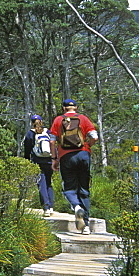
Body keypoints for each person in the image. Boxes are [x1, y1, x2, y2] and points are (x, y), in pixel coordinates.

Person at [51, 98, 99, 235]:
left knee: (69, 188)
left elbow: (52, 141)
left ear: (63, 108)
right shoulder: (83, 119)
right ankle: (86, 226)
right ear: (76, 108)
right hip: (84, 155)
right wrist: (88, 145)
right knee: (84, 189)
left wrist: (54, 159)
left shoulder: (58, 120)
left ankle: (76, 207)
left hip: (66, 157)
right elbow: (94, 136)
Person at [23, 114, 56, 216]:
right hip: (49, 161)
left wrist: (27, 161)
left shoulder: (30, 134)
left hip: (37, 161)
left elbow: (27, 149)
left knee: (41, 183)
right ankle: (51, 207)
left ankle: (46, 207)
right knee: (48, 183)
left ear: (32, 123)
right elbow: (53, 144)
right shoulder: (48, 132)